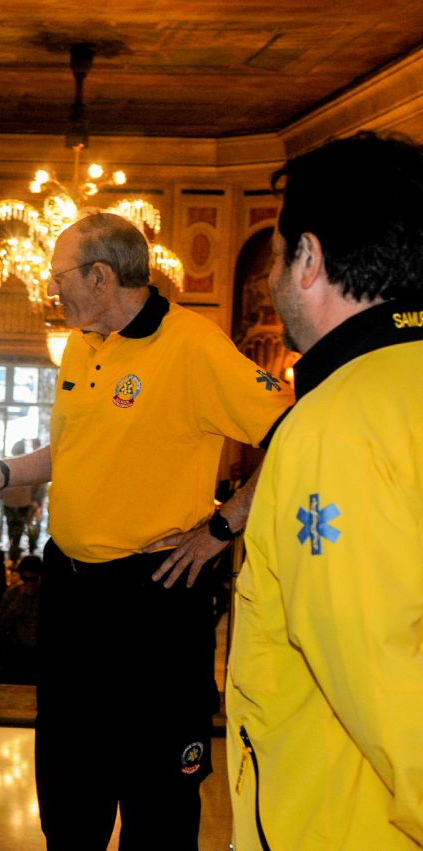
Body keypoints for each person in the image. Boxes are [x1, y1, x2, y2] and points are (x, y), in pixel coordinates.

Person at [0, 212, 294, 850]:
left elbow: (296, 433)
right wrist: (0, 472)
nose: (51, 289)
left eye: (60, 276)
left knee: (158, 796)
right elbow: (71, 452)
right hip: (71, 592)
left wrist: (222, 526)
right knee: (69, 789)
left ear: (100, 276)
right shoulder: (80, 344)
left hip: (154, 595)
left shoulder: (193, 344)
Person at [227, 131, 423, 850]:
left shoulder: (335, 424)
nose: (271, 278)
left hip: (346, 822)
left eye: (277, 254)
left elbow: (382, 673)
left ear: (309, 259)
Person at [0, 555, 41, 684]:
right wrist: (19, 600)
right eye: (25, 579)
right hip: (16, 654)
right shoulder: (13, 594)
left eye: (33, 579)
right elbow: (1, 623)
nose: (29, 583)